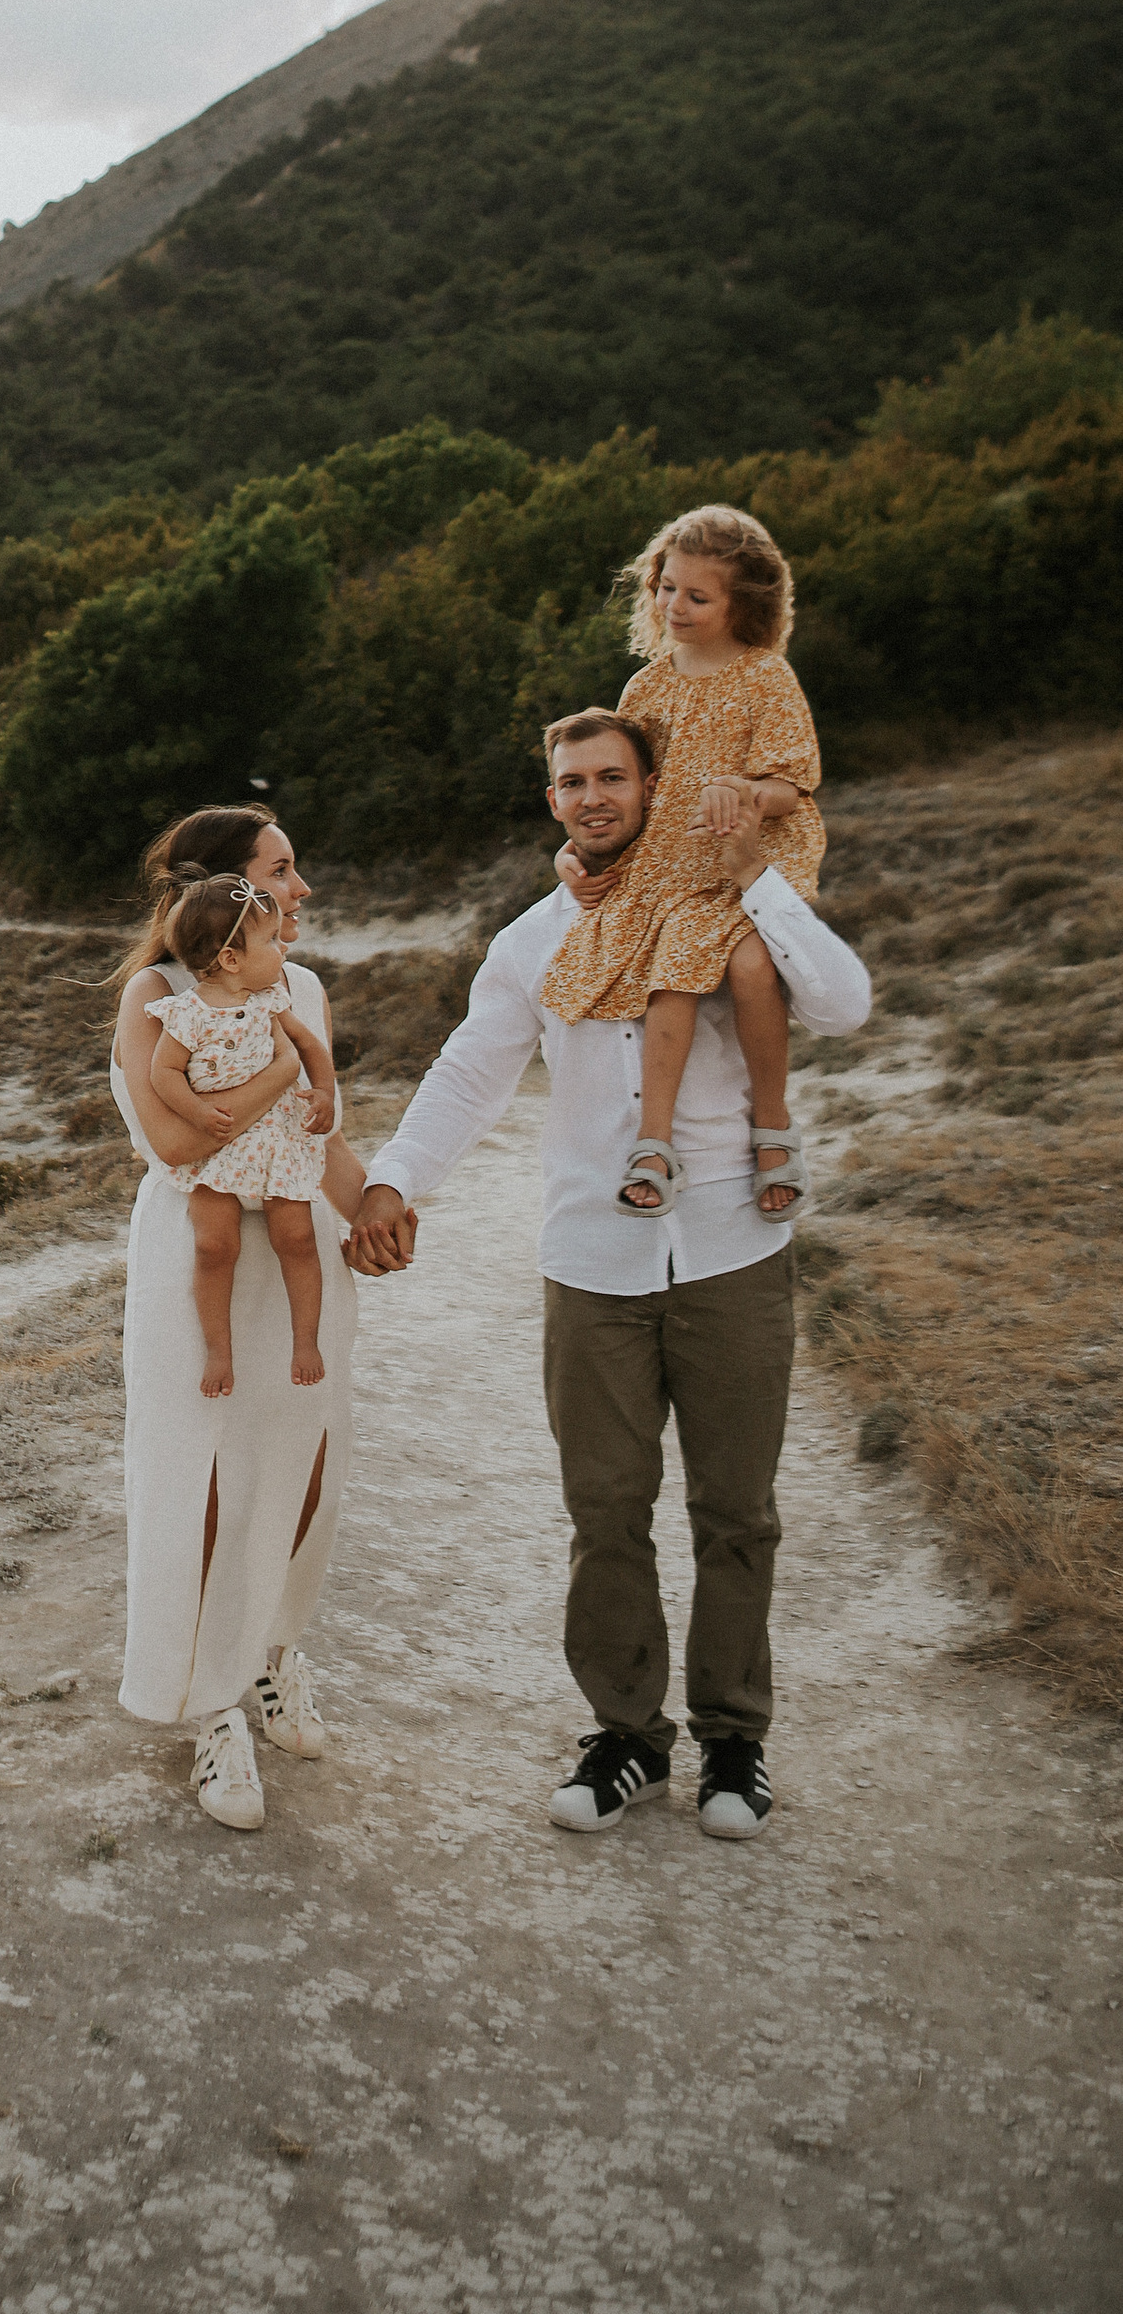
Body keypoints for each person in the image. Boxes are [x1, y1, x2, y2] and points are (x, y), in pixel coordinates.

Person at [346, 708, 870, 1844]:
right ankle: (627, 1736)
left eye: (611, 778)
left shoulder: (729, 909)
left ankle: (735, 1739)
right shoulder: (531, 940)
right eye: (570, 782)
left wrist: (755, 879)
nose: (591, 797)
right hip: (591, 1265)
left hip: (733, 1248)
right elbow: (469, 1072)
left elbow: (842, 1004)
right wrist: (395, 1178)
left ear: (651, 785)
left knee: (737, 1512)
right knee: (604, 1512)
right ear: (551, 802)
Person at [111, 804, 379, 1832]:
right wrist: (279, 1072)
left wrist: (377, 1211)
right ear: (228, 899)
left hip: (298, 1234)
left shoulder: (298, 982)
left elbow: (321, 1132)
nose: (301, 892)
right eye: (281, 874)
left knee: (307, 1462)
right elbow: (177, 1148)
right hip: (200, 1258)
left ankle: (271, 1657)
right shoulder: (154, 996)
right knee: (203, 1476)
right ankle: (205, 1704)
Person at [542, 508, 824, 1220]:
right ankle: (655, 1141)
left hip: (748, 857)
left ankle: (772, 1126)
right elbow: (621, 790)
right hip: (668, 858)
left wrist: (745, 795)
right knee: (673, 963)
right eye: (666, 589)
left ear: (743, 604)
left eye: (697, 597)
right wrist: (572, 852)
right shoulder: (646, 688)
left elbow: (792, 784)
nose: (674, 607)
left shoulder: (766, 676)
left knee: (753, 966)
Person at [135, 868, 360, 1394]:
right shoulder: (184, 1014)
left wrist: (324, 1092)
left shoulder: (271, 1002)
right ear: (231, 959)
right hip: (220, 1148)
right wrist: (194, 1112)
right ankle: (219, 1352)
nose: (283, 951)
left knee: (298, 1238)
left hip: (278, 1139)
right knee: (215, 1246)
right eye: (272, 941)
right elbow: (162, 1073)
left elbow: (310, 1050)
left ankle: (305, 1341)